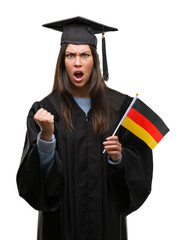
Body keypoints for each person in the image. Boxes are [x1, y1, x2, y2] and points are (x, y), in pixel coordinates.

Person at [16, 16, 153, 240]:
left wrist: (119, 159)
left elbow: (141, 167)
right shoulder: (45, 111)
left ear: (95, 60)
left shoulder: (121, 108)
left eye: (84, 55)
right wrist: (46, 139)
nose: (77, 62)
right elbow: (34, 187)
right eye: (70, 55)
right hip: (60, 228)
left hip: (106, 225)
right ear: (62, 61)